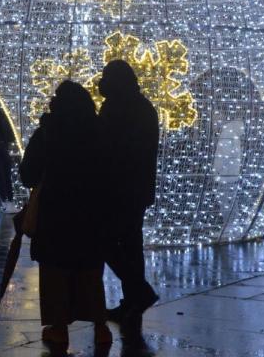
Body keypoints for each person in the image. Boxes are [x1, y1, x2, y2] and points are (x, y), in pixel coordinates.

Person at [19, 81, 112, 349]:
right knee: (90, 271)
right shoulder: (99, 131)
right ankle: (101, 327)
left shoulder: (48, 132)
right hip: (91, 212)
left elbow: (28, 174)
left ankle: (59, 328)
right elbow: (111, 172)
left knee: (55, 272)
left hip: (55, 213)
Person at [98, 60, 161, 332]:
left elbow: (106, 147)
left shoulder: (118, 108)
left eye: (106, 77)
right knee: (132, 246)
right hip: (137, 189)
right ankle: (132, 300)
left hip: (117, 189)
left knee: (106, 242)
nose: (101, 81)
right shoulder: (142, 106)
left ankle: (139, 291)